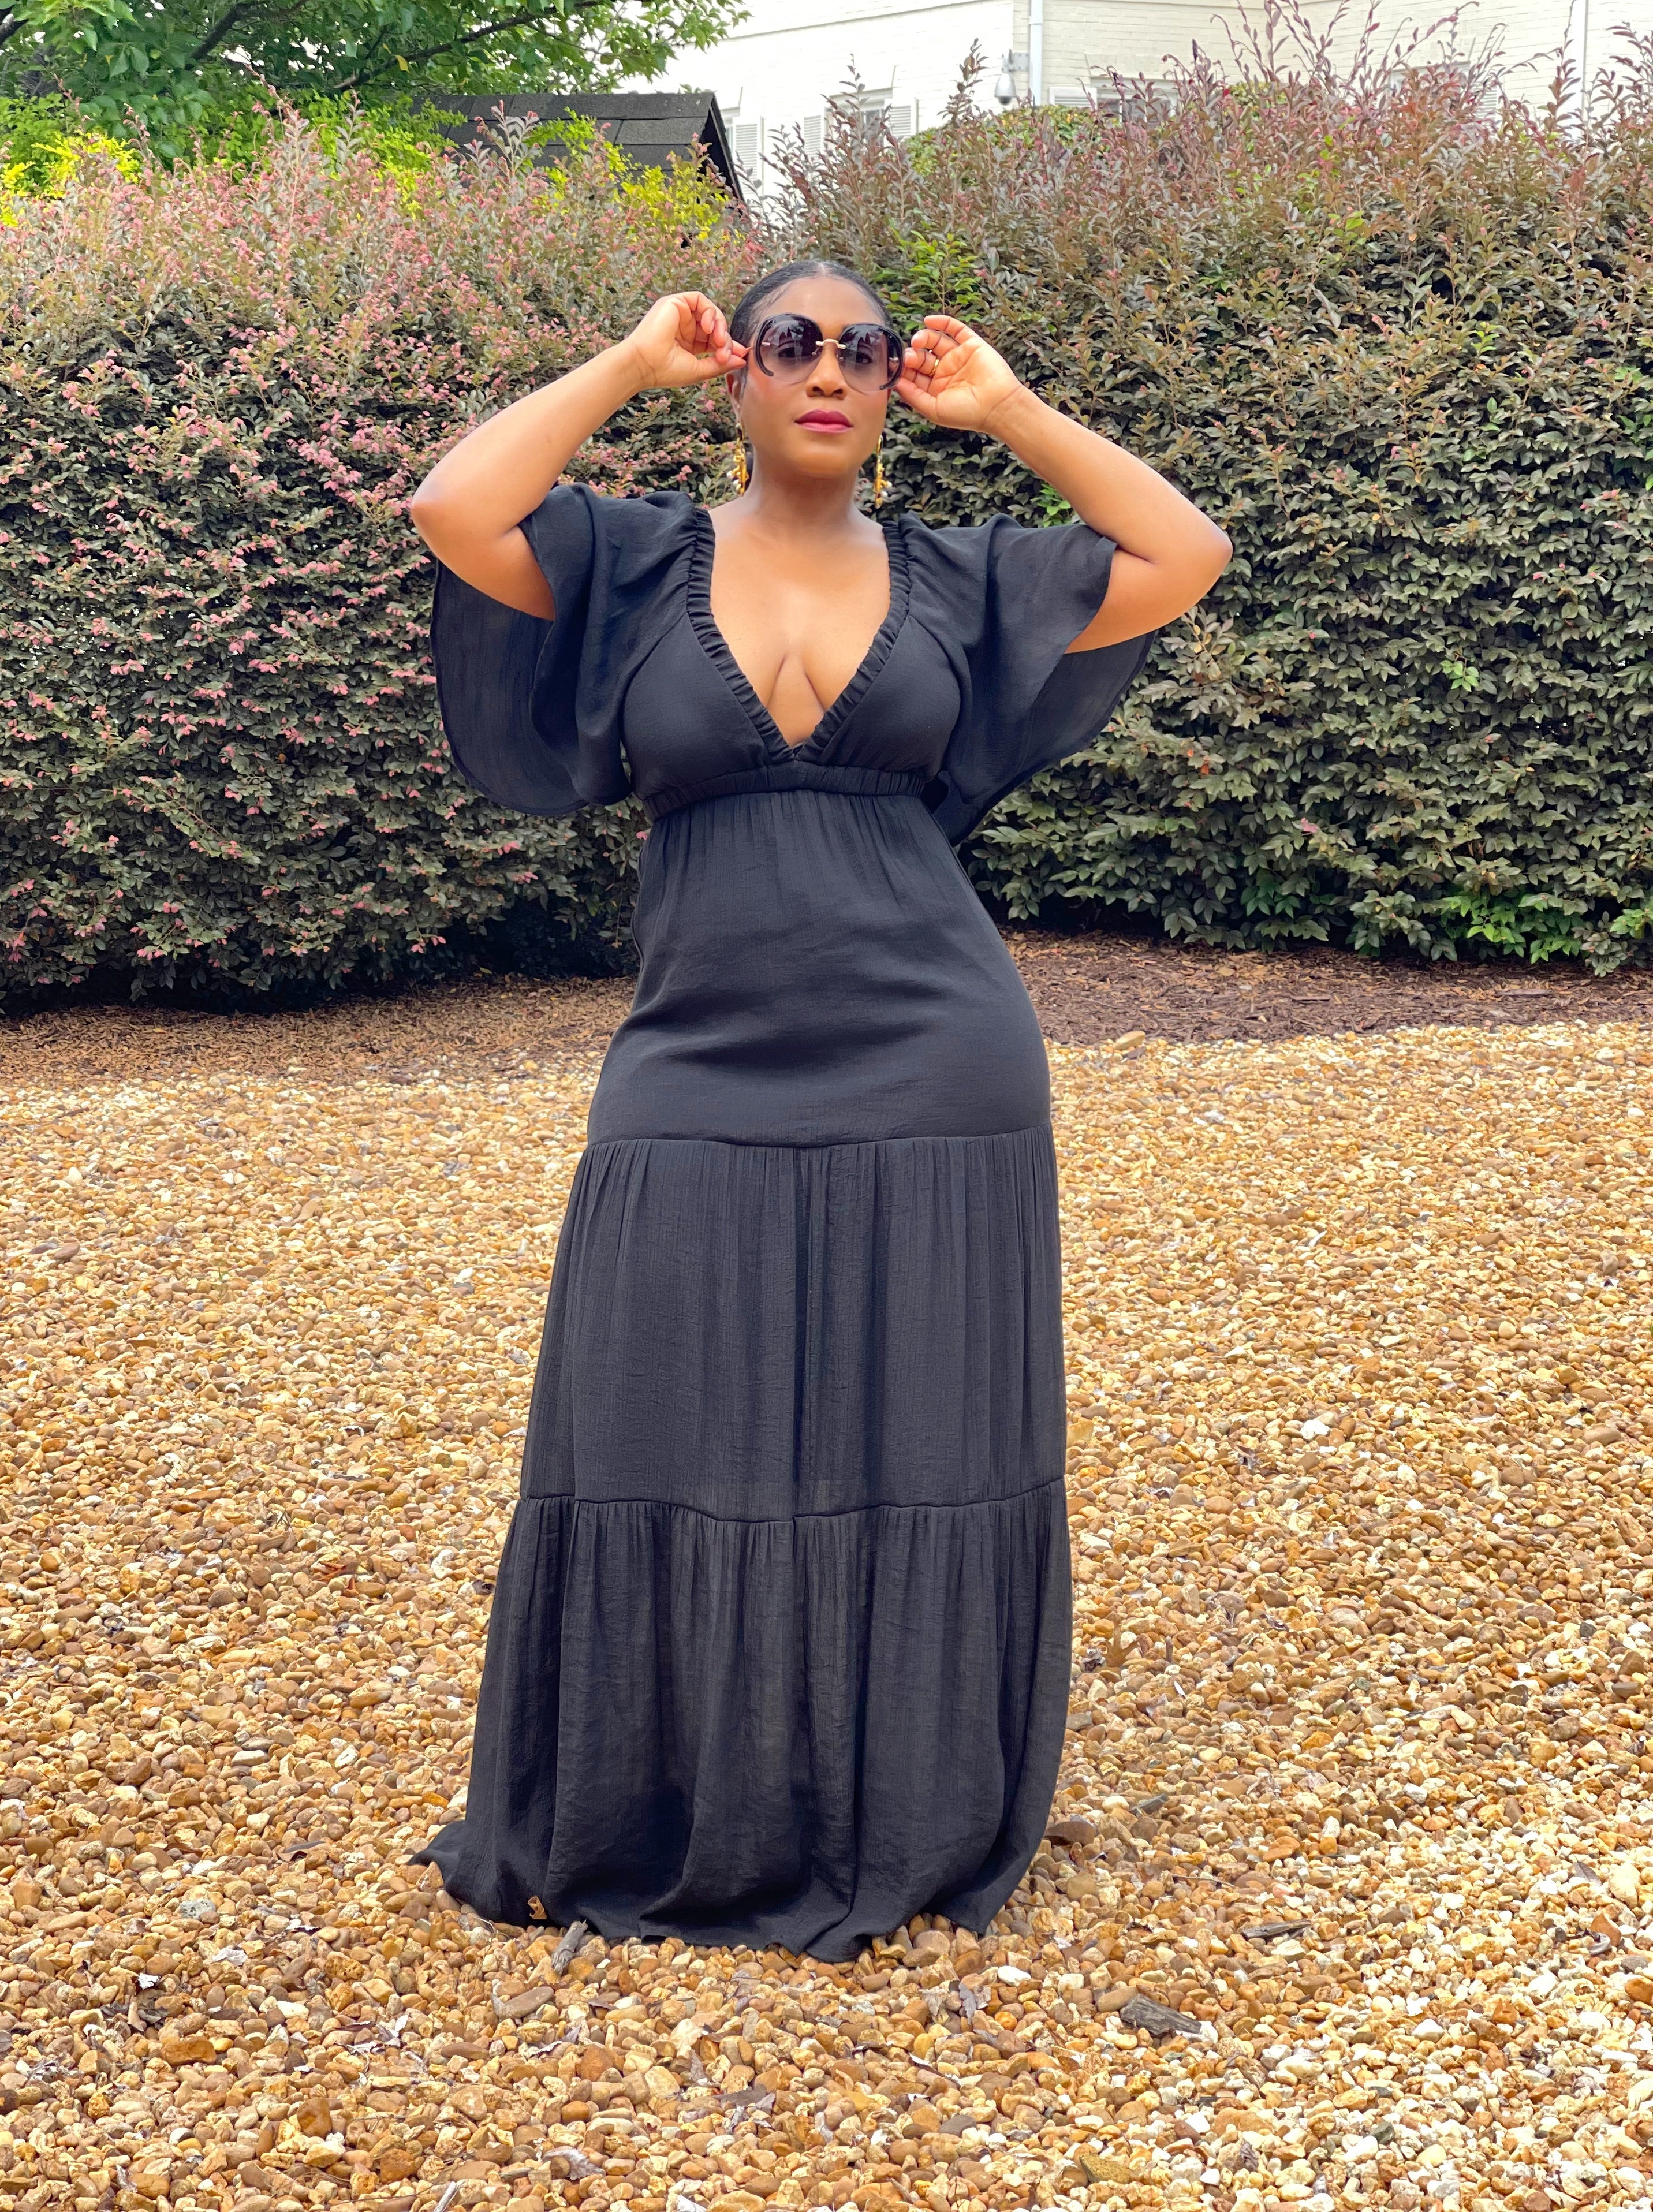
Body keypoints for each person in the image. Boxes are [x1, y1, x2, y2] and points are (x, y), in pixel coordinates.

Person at [406, 260, 1229, 1959]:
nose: (832, 370)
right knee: (650, 1415)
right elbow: (454, 507)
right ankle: (664, 1796)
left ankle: (892, 1806)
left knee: (918, 1430)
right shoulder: (631, 560)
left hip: (937, 1053)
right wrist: (624, 362)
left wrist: (1006, 410)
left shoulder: (960, 578)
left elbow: (1182, 552)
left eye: (864, 348)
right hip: (693, 1052)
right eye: (793, 343)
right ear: (741, 375)